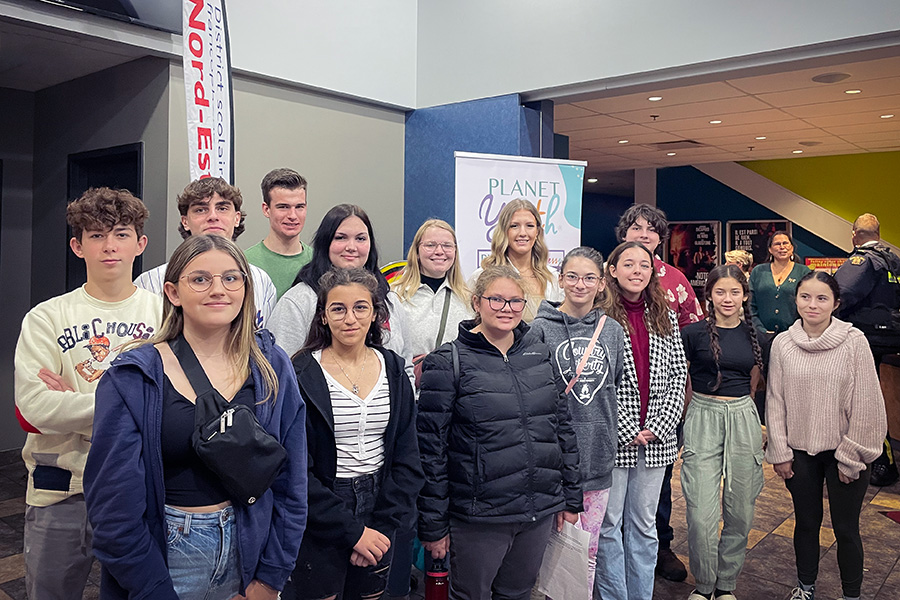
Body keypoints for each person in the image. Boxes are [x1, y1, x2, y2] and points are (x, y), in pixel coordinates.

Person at [84, 234, 308, 600]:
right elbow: (113, 509)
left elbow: (292, 482)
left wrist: (270, 578)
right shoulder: (134, 377)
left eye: (231, 278)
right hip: (168, 553)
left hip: (250, 549)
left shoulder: (271, 364)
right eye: (200, 279)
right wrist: (153, 589)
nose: (218, 289)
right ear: (173, 292)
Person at [13, 187, 161, 600]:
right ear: (78, 246)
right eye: (96, 235)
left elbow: (178, 404)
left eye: (121, 233)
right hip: (61, 487)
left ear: (140, 243)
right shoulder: (46, 317)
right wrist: (134, 405)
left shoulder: (165, 315)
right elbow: (36, 406)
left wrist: (75, 403)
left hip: (139, 484)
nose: (109, 246)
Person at [417, 266, 582, 599]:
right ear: (477, 302)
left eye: (515, 301)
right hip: (479, 517)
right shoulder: (448, 361)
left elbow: (562, 427)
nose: (506, 308)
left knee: (518, 593)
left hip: (537, 510)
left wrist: (571, 498)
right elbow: (430, 450)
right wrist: (433, 525)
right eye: (496, 299)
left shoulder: (540, 354)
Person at [282, 268, 423, 600]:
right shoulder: (300, 373)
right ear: (323, 316)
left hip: (381, 506)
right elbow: (296, 470)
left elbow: (408, 456)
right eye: (338, 309)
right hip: (321, 512)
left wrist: (379, 530)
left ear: (375, 314)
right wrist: (353, 532)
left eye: (361, 307)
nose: (350, 318)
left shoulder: (393, 368)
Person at [766, 271, 887, 600]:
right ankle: (805, 587)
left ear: (836, 303)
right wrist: (779, 450)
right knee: (806, 523)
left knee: (846, 529)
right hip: (800, 452)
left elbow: (867, 403)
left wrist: (852, 457)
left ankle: (852, 595)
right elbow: (775, 400)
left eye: (822, 298)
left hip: (844, 452)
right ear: (796, 300)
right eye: (805, 297)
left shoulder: (854, 342)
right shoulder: (783, 344)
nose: (812, 304)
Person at [530, 246, 625, 597]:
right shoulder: (540, 328)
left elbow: (616, 384)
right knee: (543, 551)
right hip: (551, 462)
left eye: (589, 277)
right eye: (572, 276)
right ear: (560, 279)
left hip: (597, 457)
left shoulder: (613, 331)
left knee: (586, 550)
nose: (580, 284)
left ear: (602, 283)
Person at [595, 241, 687, 600]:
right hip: (614, 438)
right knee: (609, 524)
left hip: (656, 441)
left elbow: (679, 373)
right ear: (612, 270)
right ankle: (614, 595)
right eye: (628, 264)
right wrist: (624, 428)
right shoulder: (599, 315)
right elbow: (595, 381)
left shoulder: (662, 315)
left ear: (652, 272)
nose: (636, 270)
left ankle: (640, 595)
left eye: (644, 265)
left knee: (645, 526)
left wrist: (659, 427)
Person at [615, 203, 701, 581]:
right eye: (637, 227)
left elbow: (692, 335)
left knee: (655, 492)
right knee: (611, 506)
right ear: (624, 234)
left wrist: (672, 411)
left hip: (663, 402)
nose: (644, 234)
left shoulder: (676, 280)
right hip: (619, 420)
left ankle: (660, 548)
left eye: (652, 230)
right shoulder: (604, 277)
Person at [386, 219, 472, 599]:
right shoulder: (394, 294)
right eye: (431, 245)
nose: (439, 252)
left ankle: (440, 568)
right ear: (416, 250)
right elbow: (384, 349)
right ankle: (407, 571)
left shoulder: (470, 297)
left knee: (446, 483)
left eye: (447, 246)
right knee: (410, 484)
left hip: (455, 410)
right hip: (408, 407)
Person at [680, 264, 766, 600]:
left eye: (734, 292)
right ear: (710, 296)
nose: (727, 298)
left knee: (741, 508)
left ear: (744, 295)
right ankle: (703, 585)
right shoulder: (693, 334)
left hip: (743, 416)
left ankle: (726, 584)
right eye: (720, 292)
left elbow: (756, 382)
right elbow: (682, 380)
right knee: (701, 512)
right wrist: (683, 424)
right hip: (703, 414)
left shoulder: (757, 336)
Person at [269, 204, 411, 363]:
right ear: (325, 243)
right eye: (341, 237)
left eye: (360, 238)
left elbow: (405, 364)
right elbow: (279, 369)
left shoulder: (388, 298)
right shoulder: (298, 302)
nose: (351, 247)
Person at [135, 177, 277, 328]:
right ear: (185, 222)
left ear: (237, 218)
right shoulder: (149, 283)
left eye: (222, 208)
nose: (213, 217)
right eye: (201, 210)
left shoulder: (261, 281)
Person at [833, 213, 900, 486]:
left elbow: (840, 294)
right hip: (891, 338)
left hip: (865, 339)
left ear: (854, 236)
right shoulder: (893, 260)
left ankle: (880, 463)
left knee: (864, 400)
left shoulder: (861, 261)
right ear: (879, 234)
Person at [468, 198, 562, 322]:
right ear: (504, 231)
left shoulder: (553, 277)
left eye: (529, 226)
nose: (522, 233)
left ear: (537, 232)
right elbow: (470, 322)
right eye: (514, 226)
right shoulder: (481, 276)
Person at [245, 168, 314, 300]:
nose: (292, 216)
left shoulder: (318, 262)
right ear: (266, 209)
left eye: (299, 207)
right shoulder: (246, 263)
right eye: (283, 207)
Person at [748, 231, 811, 337]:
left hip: (794, 335)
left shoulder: (804, 272)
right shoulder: (758, 271)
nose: (782, 247)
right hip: (762, 336)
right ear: (770, 249)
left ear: (792, 248)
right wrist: (760, 329)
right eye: (777, 244)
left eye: (785, 243)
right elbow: (750, 304)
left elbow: (809, 304)